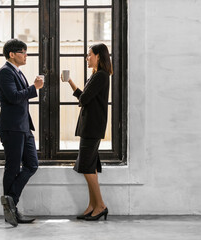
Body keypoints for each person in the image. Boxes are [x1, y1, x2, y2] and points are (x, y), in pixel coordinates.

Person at [61, 43, 113, 221]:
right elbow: (84, 97)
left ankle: (100, 205)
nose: (87, 57)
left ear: (98, 56)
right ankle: (93, 205)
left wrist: (74, 86)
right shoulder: (97, 76)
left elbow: (84, 98)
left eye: (89, 54)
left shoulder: (100, 76)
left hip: (92, 127)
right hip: (91, 126)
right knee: (89, 167)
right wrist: (69, 81)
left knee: (86, 167)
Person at [0, 39, 44, 227]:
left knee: (32, 165)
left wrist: (32, 87)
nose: (26, 55)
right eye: (23, 52)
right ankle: (11, 210)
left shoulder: (17, 72)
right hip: (12, 128)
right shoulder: (5, 73)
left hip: (24, 127)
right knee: (12, 168)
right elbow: (13, 97)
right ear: (12, 54)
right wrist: (35, 88)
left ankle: (10, 203)